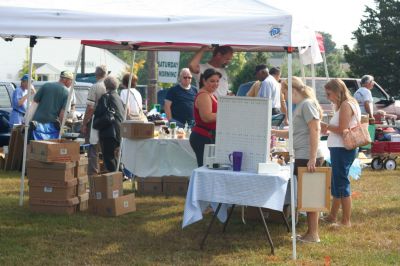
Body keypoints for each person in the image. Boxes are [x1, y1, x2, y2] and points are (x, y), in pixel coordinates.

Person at [272, 76, 324, 243]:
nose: (284, 96)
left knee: (311, 196)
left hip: (307, 156)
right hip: (303, 155)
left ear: (292, 90)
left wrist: (312, 157)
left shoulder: (307, 104)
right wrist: (273, 131)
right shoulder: (302, 105)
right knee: (307, 195)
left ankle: (313, 234)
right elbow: (294, 132)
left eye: (285, 92)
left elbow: (315, 130)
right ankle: (310, 232)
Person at [320, 78, 361, 228]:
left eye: (329, 93)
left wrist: (326, 126)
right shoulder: (347, 103)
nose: (327, 97)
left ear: (337, 92)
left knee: (342, 183)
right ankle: (332, 215)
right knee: (337, 182)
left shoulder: (345, 105)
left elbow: (343, 129)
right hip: (340, 148)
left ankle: (346, 221)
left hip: (342, 149)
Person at [189, 68, 221, 167]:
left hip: (208, 136)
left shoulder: (211, 95)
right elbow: (207, 117)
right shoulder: (204, 95)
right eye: (212, 81)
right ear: (204, 81)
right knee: (205, 168)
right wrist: (225, 115)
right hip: (202, 136)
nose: (215, 84)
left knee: (209, 167)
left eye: (217, 81)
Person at [94, 76, 124, 172]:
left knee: (109, 158)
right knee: (115, 158)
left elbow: (98, 112)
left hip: (109, 132)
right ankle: (119, 178)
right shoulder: (118, 97)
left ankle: (114, 181)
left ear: (105, 85)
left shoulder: (105, 97)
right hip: (119, 131)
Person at [81, 65, 108, 175]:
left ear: (96, 74)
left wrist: (84, 123)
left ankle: (93, 176)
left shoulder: (95, 87)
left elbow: (90, 108)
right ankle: (107, 174)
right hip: (109, 121)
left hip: (96, 121)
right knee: (106, 148)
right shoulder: (110, 86)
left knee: (93, 148)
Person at [30, 71, 71, 140]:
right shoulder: (67, 92)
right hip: (51, 126)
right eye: (71, 81)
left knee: (35, 147)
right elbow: (62, 114)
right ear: (66, 80)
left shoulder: (46, 85)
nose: (71, 84)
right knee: (49, 148)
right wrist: (62, 127)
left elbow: (34, 103)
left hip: (36, 123)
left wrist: (27, 119)